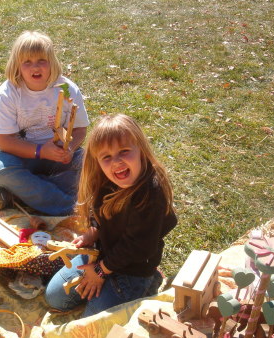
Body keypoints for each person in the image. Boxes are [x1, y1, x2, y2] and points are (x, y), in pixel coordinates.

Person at [45, 114, 177, 318]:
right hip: (104, 255)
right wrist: (94, 233)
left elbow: (138, 247)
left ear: (140, 150)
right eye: (106, 157)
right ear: (97, 162)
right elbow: (101, 215)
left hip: (133, 269)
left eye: (124, 151)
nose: (116, 162)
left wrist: (100, 271)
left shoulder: (151, 193)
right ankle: (111, 285)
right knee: (55, 298)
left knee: (92, 323)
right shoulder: (104, 180)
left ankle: (148, 284)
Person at [0, 30, 89, 216]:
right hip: (24, 156)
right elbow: (4, 141)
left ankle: (22, 195)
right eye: (27, 62)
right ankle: (70, 207)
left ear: (52, 62)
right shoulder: (9, 93)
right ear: (17, 66)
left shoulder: (67, 89)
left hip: (60, 157)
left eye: (42, 60)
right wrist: (41, 151)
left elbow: (80, 128)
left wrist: (71, 148)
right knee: (1, 170)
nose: (35, 67)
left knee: (91, 163)